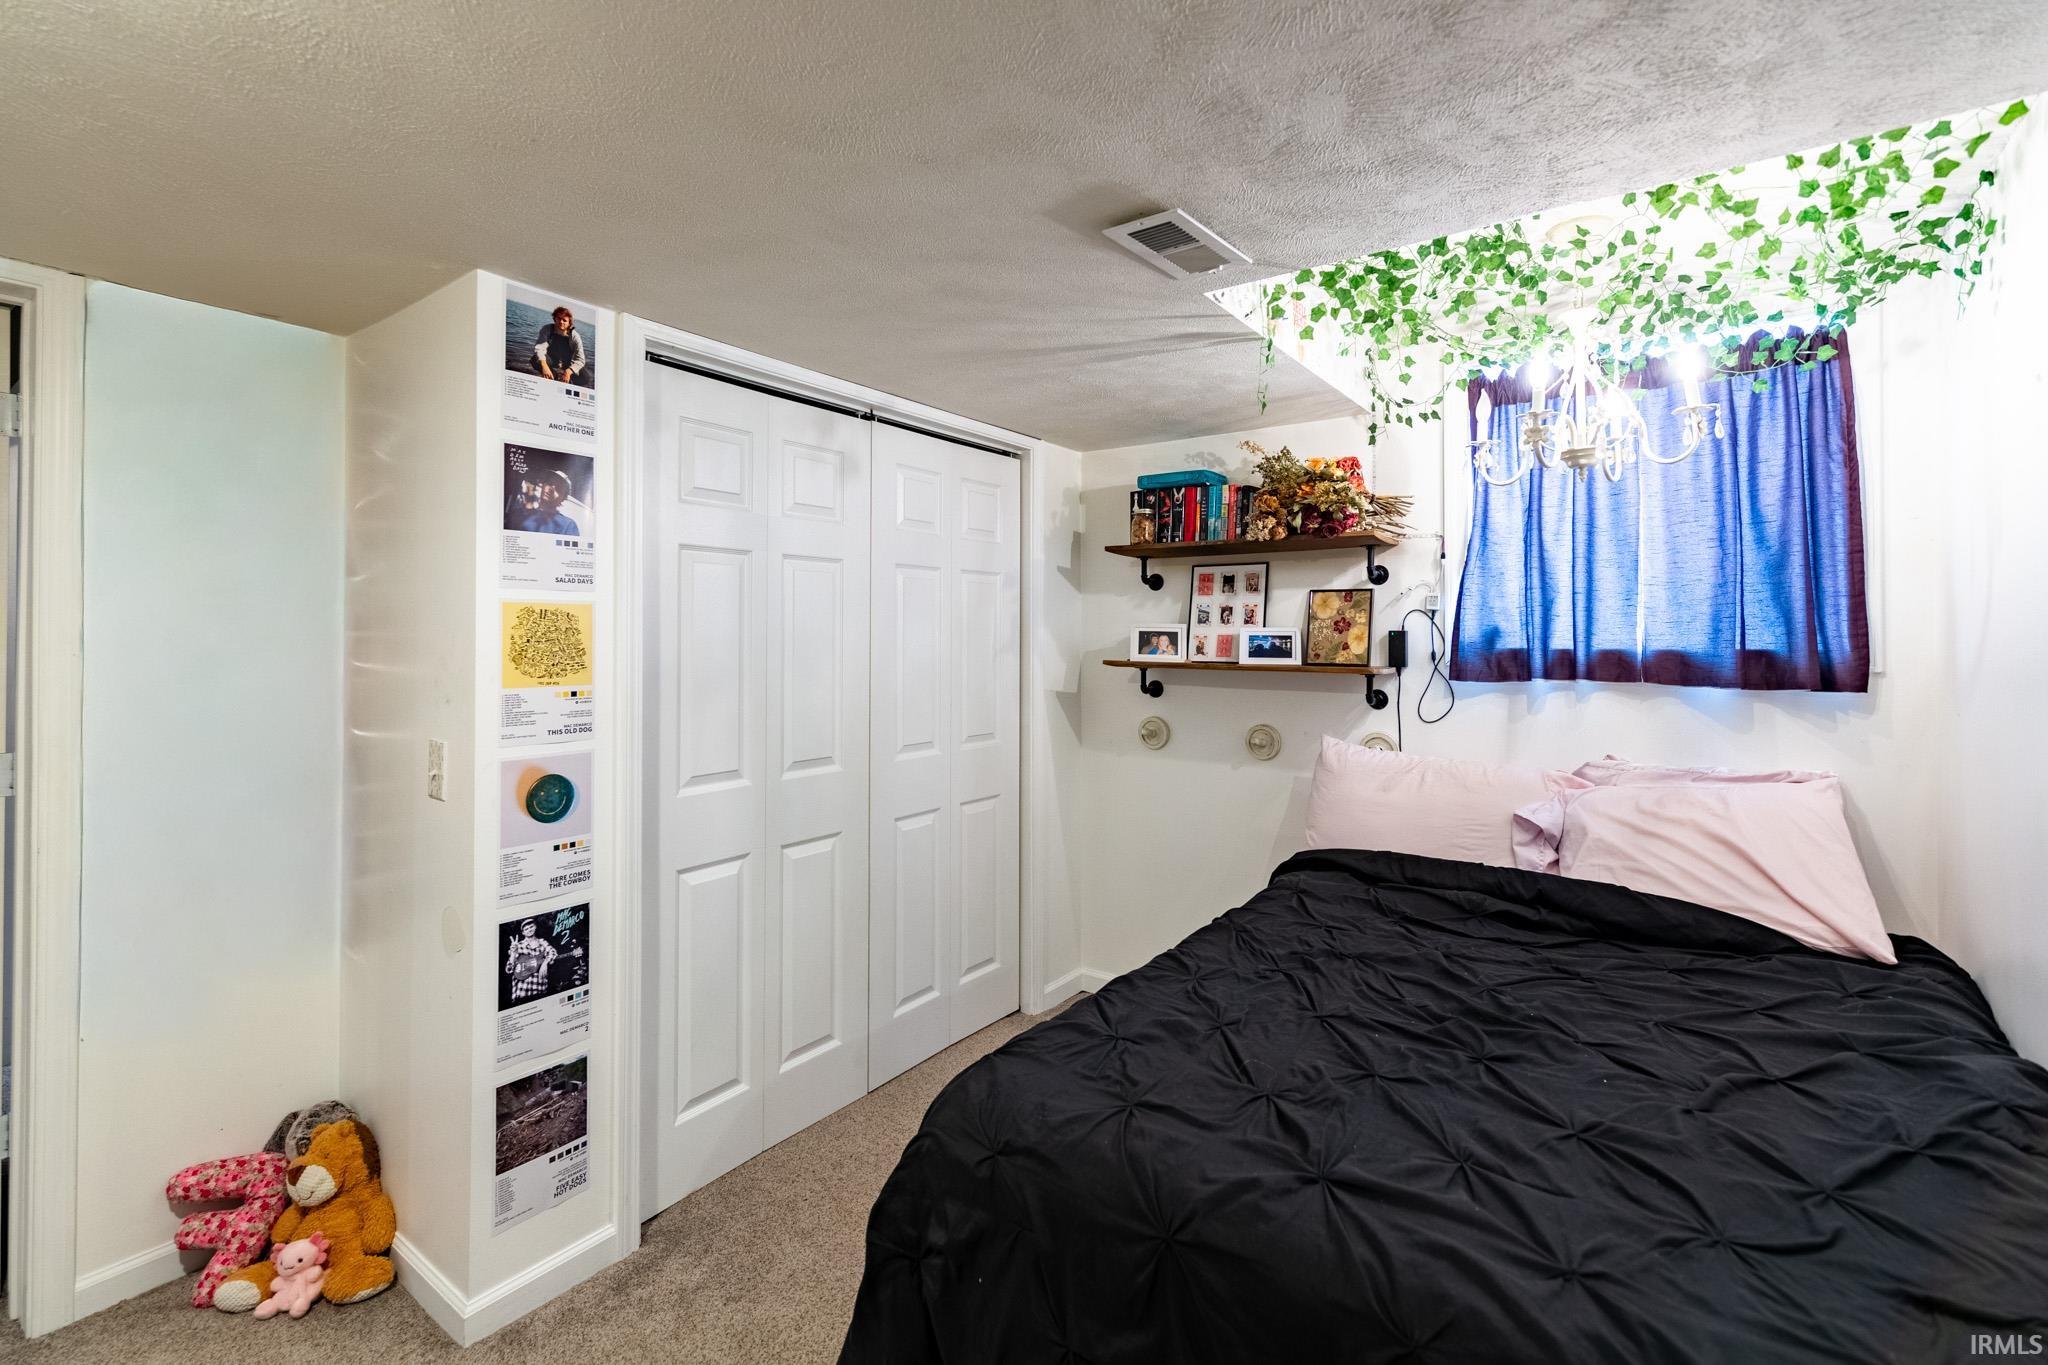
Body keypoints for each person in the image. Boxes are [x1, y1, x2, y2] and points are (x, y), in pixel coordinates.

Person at [506, 469, 580, 536]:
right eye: (550, 483)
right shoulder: (519, 513)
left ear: (563, 498)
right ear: (543, 485)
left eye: (558, 488)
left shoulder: (568, 525)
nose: (551, 489)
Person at [532, 306, 588, 387]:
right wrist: (544, 367)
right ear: (554, 318)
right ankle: (553, 375)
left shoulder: (575, 336)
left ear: (569, 323)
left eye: (564, 320)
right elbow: (539, 348)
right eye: (559, 318)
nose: (561, 322)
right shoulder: (547, 329)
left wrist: (569, 371)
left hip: (567, 363)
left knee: (586, 377)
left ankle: (568, 382)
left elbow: (581, 360)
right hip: (551, 360)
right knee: (535, 359)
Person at [505, 920, 557, 1001]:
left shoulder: (542, 942)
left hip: (539, 987)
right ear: (523, 933)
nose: (529, 930)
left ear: (535, 927)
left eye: (531, 927)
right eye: (526, 929)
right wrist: (513, 954)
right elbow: (509, 969)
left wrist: (545, 963)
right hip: (522, 990)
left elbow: (553, 952)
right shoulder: (518, 945)